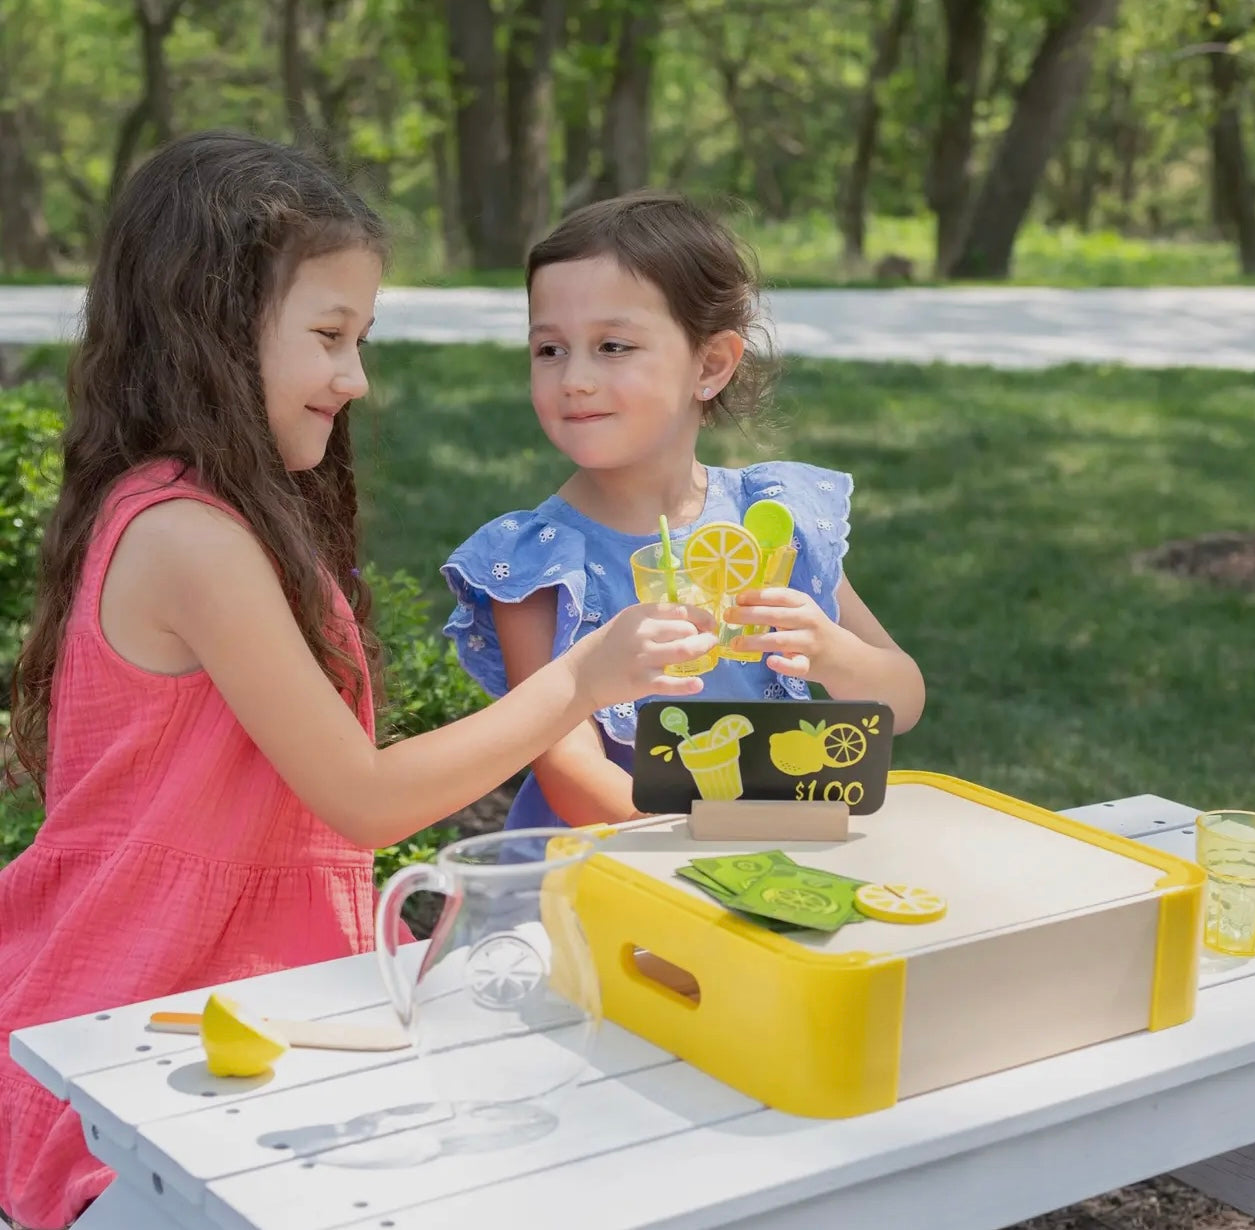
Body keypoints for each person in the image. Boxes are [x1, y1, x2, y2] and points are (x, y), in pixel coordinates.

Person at [0, 137, 715, 1230]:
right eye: (330, 337)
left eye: (361, 338)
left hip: (233, 994)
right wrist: (583, 675)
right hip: (144, 1019)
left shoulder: (207, 511)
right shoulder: (189, 535)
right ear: (212, 327)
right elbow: (367, 799)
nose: (356, 377)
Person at [442, 191, 925, 832]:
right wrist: (724, 846)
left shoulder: (771, 523)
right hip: (613, 879)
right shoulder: (537, 562)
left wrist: (832, 651)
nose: (574, 378)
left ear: (712, 364)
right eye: (549, 349)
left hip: (777, 856)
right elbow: (571, 773)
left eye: (612, 346)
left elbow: (904, 697)